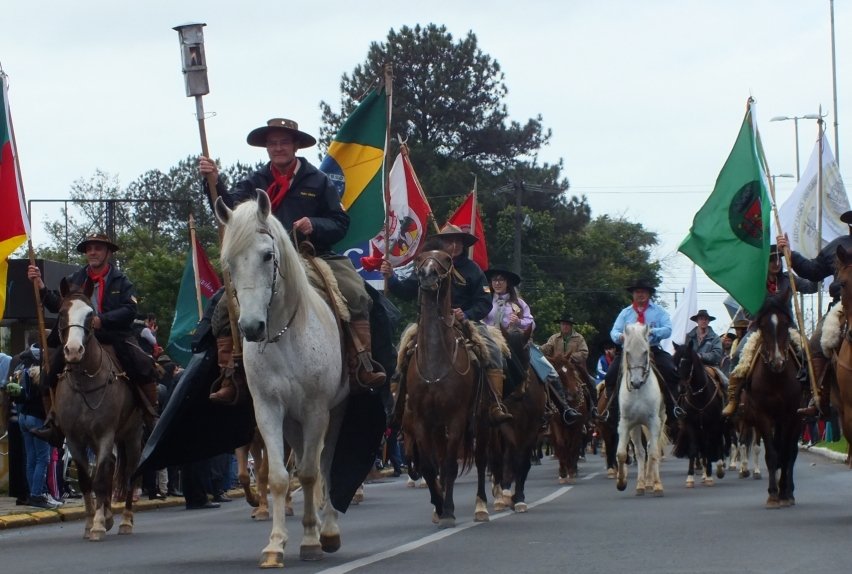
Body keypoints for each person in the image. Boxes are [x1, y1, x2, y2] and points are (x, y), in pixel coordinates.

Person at [198, 118, 385, 404]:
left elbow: (340, 222)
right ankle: (230, 375)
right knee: (223, 308)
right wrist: (212, 179)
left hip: (311, 256)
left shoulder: (318, 180)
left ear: (296, 145)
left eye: (284, 142)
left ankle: (360, 364)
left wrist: (315, 224)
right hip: (265, 261)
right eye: (272, 143)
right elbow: (229, 207)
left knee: (355, 293)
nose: (278, 148)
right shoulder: (255, 181)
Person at [26, 233, 160, 447]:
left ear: (108, 252)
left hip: (112, 335)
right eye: (89, 249)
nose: (92, 252)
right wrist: (41, 286)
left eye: (98, 248)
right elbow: (58, 306)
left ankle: (151, 416)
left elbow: (130, 308)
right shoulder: (74, 280)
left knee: (143, 364)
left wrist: (102, 320)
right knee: (46, 374)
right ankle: (53, 424)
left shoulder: (121, 280)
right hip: (80, 336)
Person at [380, 224, 512, 424]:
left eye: (457, 241)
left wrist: (466, 313)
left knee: (492, 350)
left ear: (463, 244)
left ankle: (495, 404)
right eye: (448, 240)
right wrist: (392, 278)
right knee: (401, 351)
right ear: (442, 243)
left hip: (465, 322)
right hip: (429, 321)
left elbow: (484, 302)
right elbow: (407, 290)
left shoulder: (473, 269)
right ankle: (396, 402)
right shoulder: (429, 263)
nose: (453, 244)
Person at [722, 244, 818, 416]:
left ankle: (813, 394)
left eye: (778, 258)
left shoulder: (789, 278)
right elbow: (746, 310)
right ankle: (733, 398)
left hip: (787, 328)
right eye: (771, 259)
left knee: (809, 353)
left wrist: (813, 271)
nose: (776, 263)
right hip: (760, 328)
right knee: (737, 356)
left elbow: (811, 287)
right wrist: (761, 309)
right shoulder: (756, 283)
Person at [777, 215, 852, 418]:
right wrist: (790, 254)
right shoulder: (838, 247)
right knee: (816, 342)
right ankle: (819, 396)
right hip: (843, 307)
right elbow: (813, 271)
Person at [603, 278, 681, 423]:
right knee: (610, 376)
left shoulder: (659, 311)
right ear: (633, 294)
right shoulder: (625, 313)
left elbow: (668, 329)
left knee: (671, 371)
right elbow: (614, 331)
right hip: (629, 352)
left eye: (643, 292)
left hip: (652, 349)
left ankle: (673, 410)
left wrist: (651, 331)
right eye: (637, 292)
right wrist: (620, 336)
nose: (640, 294)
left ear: (649, 294)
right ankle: (611, 412)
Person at [540, 312, 594, 419]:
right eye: (563, 324)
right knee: (542, 383)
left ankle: (593, 409)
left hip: (573, 367)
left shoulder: (579, 338)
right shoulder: (554, 338)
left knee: (591, 383)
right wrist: (539, 349)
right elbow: (547, 347)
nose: (565, 326)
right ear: (560, 325)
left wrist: (572, 357)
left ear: (571, 326)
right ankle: (544, 411)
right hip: (557, 369)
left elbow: (584, 352)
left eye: (567, 324)